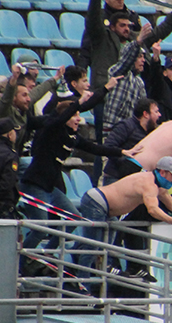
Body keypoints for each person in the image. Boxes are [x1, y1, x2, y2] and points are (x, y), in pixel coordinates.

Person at [20, 88, 137, 255]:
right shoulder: (51, 129)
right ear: (66, 117)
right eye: (74, 115)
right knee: (41, 228)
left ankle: (46, 253)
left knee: (74, 219)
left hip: (51, 187)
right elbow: (58, 119)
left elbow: (95, 148)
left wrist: (121, 152)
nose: (78, 119)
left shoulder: (73, 136)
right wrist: (78, 103)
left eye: (78, 115)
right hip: (34, 185)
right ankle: (22, 260)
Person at [75, 156, 172, 275]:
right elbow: (152, 209)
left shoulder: (159, 186)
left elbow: (171, 204)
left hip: (105, 207)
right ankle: (81, 280)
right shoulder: (149, 184)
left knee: (105, 244)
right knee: (94, 245)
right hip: (97, 202)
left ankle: (83, 267)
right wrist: (171, 220)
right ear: (163, 172)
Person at [78, 0, 139, 80]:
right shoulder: (100, 17)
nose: (120, 1)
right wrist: (82, 70)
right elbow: (87, 46)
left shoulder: (132, 16)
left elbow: (140, 40)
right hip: (105, 65)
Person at [103, 98, 160, 184]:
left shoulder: (152, 131)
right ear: (145, 114)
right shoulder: (126, 126)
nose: (159, 115)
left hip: (136, 179)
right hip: (116, 178)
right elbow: (108, 146)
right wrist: (124, 161)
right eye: (156, 112)